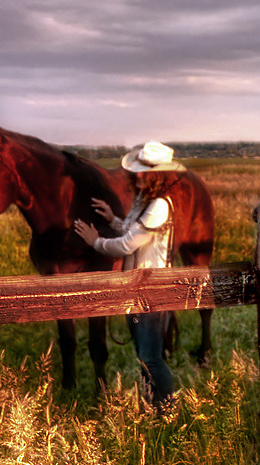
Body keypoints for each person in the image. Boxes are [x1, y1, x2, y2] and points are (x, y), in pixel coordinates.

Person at [73, 140, 186, 410]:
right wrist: (113, 218)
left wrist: (95, 241)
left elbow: (126, 244)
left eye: (146, 171)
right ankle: (155, 408)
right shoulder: (145, 200)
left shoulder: (159, 205)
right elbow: (129, 230)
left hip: (153, 289)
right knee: (145, 356)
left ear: (159, 174)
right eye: (139, 170)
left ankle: (167, 411)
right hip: (139, 287)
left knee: (151, 358)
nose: (139, 176)